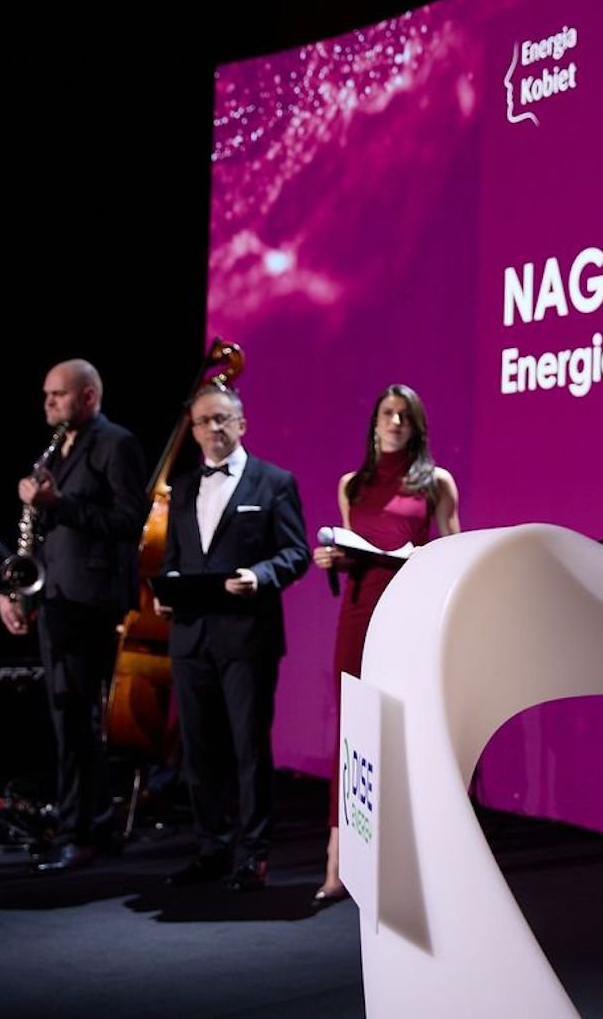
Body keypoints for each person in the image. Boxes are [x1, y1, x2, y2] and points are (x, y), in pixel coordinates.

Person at [310, 383, 460, 905]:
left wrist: (425, 558)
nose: (395, 422)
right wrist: (332, 559)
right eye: (387, 413)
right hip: (357, 615)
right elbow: (352, 548)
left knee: (406, 731)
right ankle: (337, 862)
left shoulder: (435, 482)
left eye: (404, 415)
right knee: (352, 733)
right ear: (374, 424)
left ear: (416, 427)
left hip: (408, 615)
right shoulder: (352, 485)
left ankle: (410, 861)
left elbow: (454, 553)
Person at [0, 359, 147, 872]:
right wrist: (15, 590)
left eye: (58, 394)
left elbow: (130, 522)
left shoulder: (116, 444)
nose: (48, 403)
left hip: (91, 599)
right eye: (46, 395)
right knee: (67, 718)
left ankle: (81, 831)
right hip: (56, 596)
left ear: (89, 396)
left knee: (78, 719)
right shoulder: (57, 449)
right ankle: (84, 826)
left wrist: (58, 504)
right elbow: (43, 535)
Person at [157, 384, 309, 891]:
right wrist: (166, 591)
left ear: (241, 424)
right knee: (199, 750)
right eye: (204, 421)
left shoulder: (274, 482)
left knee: (248, 748)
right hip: (190, 637)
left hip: (247, 636)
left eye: (222, 419)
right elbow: (175, 558)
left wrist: (260, 576)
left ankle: (253, 853)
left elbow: (295, 553)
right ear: (194, 430)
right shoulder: (182, 487)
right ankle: (211, 848)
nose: (213, 428)